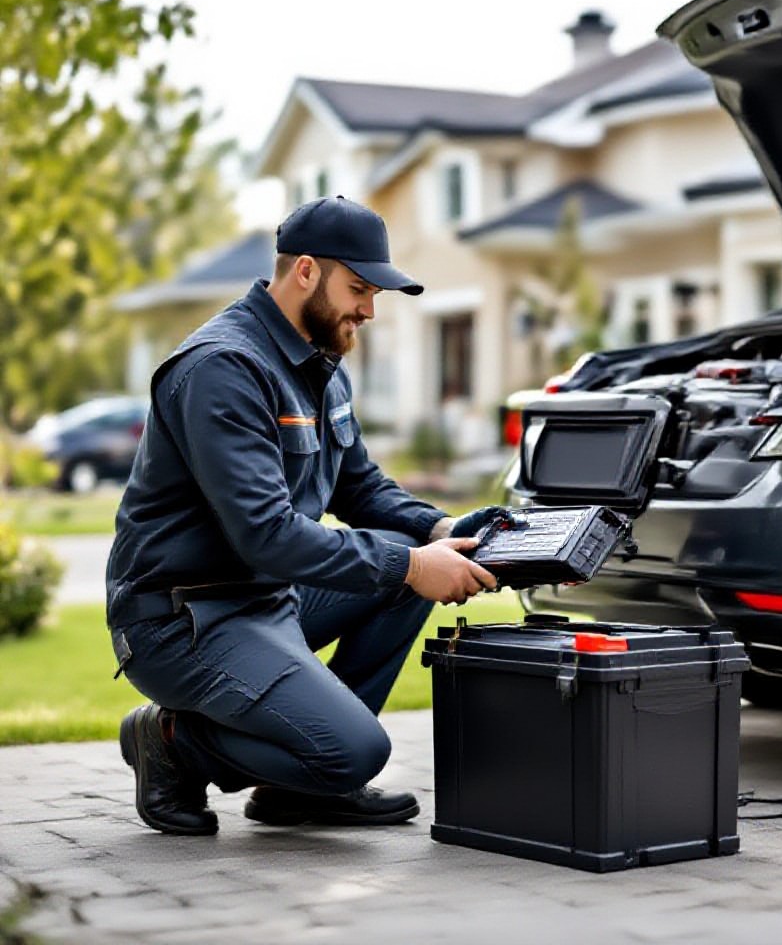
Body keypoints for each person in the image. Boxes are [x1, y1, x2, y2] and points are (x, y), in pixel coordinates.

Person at [106, 195, 502, 835]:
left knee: (405, 555)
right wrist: (410, 565)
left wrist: (441, 534)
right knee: (359, 749)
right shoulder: (222, 369)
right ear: (306, 272)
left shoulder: (320, 362)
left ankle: (304, 788)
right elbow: (266, 535)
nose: (369, 311)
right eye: (360, 289)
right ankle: (173, 741)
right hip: (183, 618)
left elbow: (361, 487)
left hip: (268, 597)